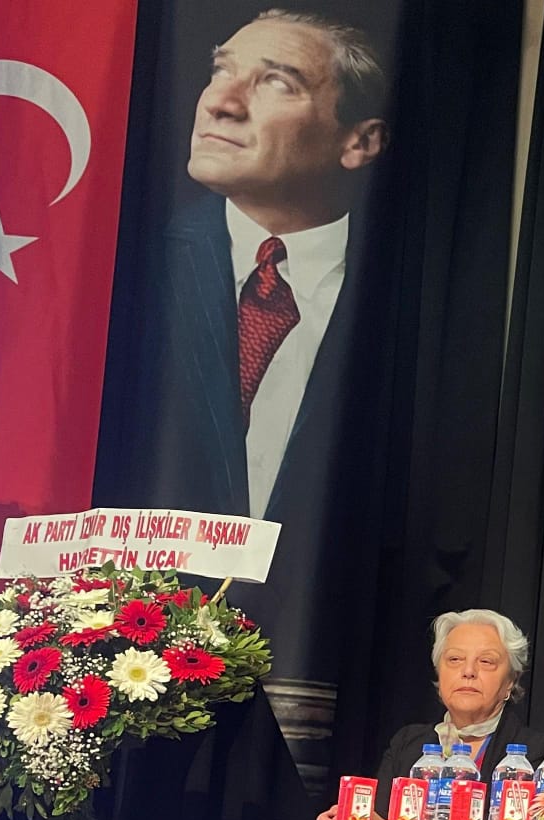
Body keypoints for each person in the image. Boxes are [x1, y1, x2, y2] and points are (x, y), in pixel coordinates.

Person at [166, 8, 389, 524]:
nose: (220, 103)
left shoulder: (405, 302)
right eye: (221, 70)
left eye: (277, 83)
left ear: (360, 142)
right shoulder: (129, 273)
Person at [314, 609, 544, 820]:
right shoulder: (407, 743)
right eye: (454, 660)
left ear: (510, 681)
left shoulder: (535, 753)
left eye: (486, 661)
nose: (468, 672)